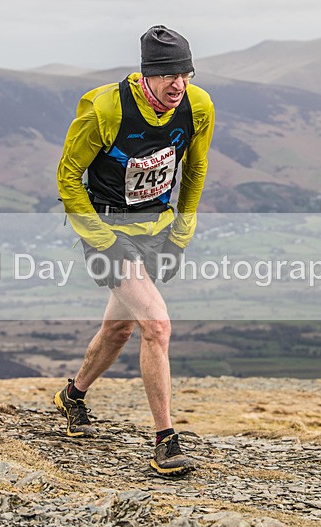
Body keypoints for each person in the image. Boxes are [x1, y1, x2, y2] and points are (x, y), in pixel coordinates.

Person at [54, 25, 215, 475]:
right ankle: (165, 440)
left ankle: (74, 396)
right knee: (156, 325)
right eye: (168, 76)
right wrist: (103, 241)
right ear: (146, 75)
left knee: (119, 329)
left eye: (185, 74)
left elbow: (196, 167)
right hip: (105, 227)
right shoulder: (104, 109)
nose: (178, 85)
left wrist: (181, 235)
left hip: (156, 227)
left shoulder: (197, 105)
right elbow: (68, 177)